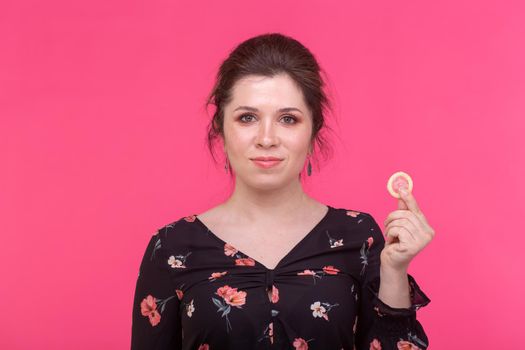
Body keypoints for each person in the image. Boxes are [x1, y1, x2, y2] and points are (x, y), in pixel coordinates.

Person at [131, 32, 434, 350]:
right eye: (247, 118)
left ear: (313, 128)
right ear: (220, 125)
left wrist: (395, 271)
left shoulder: (359, 235)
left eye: (288, 119)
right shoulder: (172, 247)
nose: (266, 138)